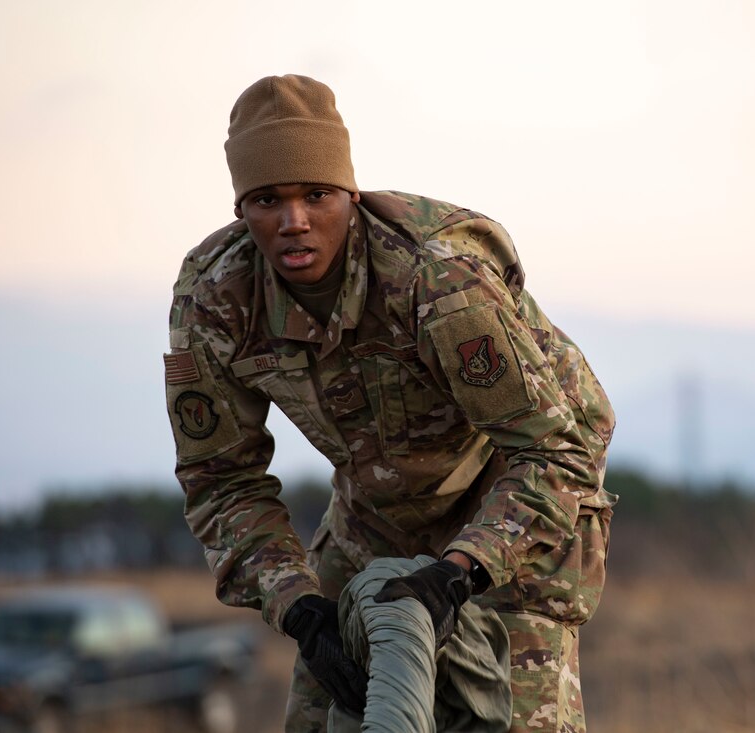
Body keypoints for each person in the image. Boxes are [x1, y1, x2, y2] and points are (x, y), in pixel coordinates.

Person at [163, 74, 616, 733]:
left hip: (514, 498)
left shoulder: (435, 278)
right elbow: (221, 481)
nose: (294, 221)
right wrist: (297, 605)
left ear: (349, 194)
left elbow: (555, 451)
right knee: (321, 715)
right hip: (375, 512)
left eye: (315, 194)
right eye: (266, 200)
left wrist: (459, 572)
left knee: (512, 716)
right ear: (242, 210)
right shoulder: (215, 296)